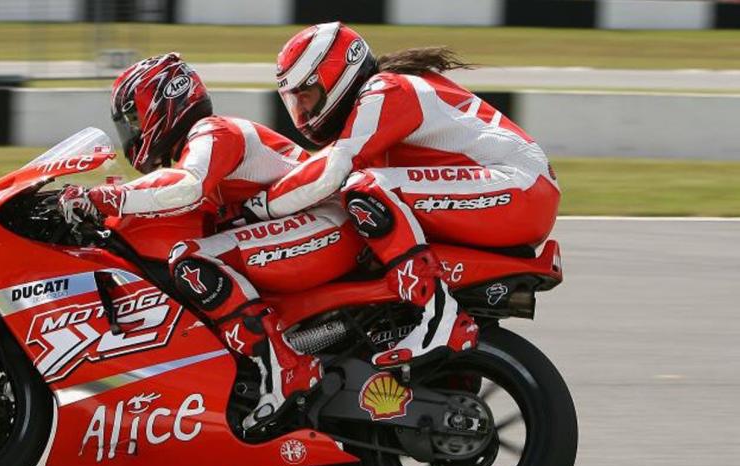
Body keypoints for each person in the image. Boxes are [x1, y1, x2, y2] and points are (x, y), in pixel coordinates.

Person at [57, 53, 364, 431]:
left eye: (134, 120)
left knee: (192, 261)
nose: (132, 133)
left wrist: (105, 199)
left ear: (163, 103)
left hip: (327, 225)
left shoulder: (212, 133)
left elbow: (186, 186)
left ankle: (284, 369)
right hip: (315, 227)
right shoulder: (199, 147)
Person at [246, 22, 560, 368]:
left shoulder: (386, 90)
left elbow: (331, 171)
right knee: (368, 213)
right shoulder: (378, 105)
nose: (303, 113)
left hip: (518, 188)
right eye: (295, 102)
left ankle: (437, 313)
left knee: (365, 187)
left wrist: (256, 208)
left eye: (307, 96)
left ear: (336, 76)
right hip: (510, 192)